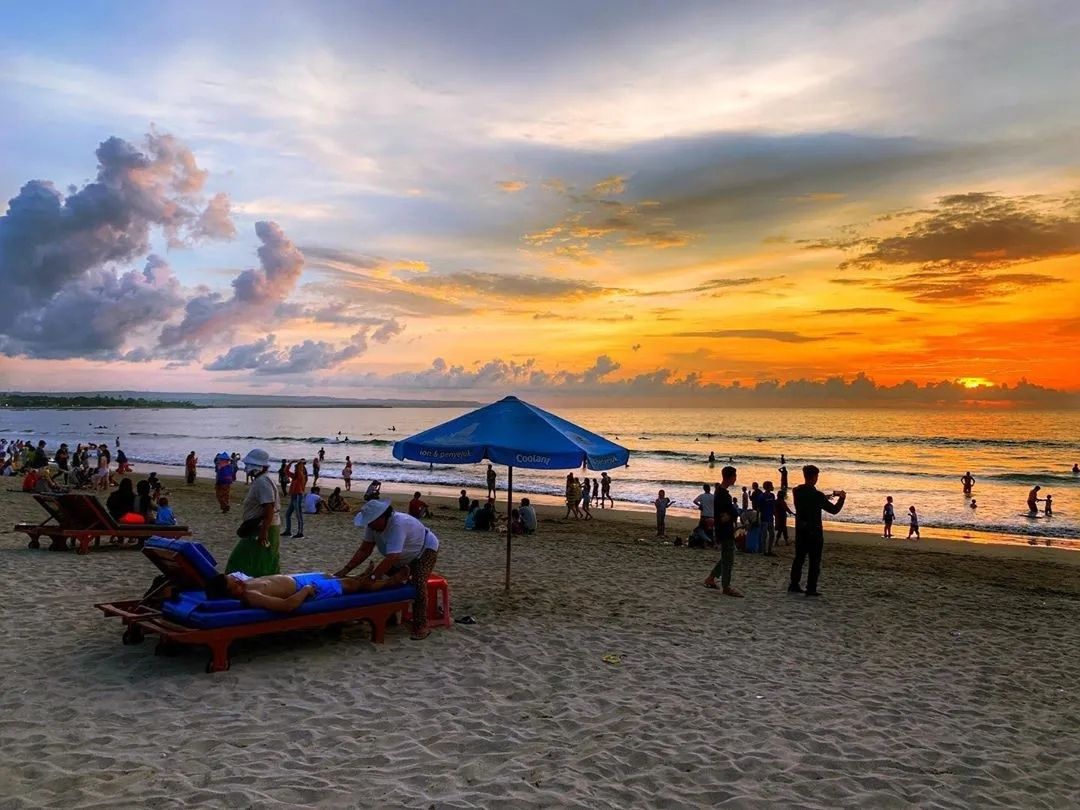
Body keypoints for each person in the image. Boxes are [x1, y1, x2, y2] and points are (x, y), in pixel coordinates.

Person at [337, 499, 441, 639]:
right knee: (375, 581)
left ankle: (421, 625)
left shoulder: (397, 524)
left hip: (425, 550)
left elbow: (392, 557)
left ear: (382, 516)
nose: (370, 525)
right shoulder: (372, 526)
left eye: (372, 521)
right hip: (400, 556)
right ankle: (390, 618)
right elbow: (364, 550)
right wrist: (345, 570)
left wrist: (374, 577)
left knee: (418, 584)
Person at [205, 568, 408, 612]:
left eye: (235, 580)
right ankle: (391, 583)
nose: (239, 582)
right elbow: (287, 606)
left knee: (339, 578)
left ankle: (366, 578)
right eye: (235, 585)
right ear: (231, 593)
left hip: (299, 579)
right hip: (307, 587)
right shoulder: (252, 596)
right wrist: (306, 590)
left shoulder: (243, 586)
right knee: (353, 586)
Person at [790, 465, 846, 597]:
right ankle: (811, 588)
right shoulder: (817, 495)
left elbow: (810, 497)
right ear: (815, 477)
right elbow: (834, 510)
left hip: (801, 530)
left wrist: (825, 497)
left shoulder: (797, 491)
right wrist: (842, 498)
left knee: (799, 559)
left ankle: (794, 584)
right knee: (814, 561)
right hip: (814, 531)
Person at [225, 448, 281, 577]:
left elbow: (269, 507)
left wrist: (264, 531)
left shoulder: (263, 482)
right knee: (259, 559)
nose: (246, 468)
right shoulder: (262, 480)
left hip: (261, 527)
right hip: (260, 525)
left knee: (255, 560)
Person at [704, 466, 742, 597]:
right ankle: (726, 586)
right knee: (728, 558)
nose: (736, 478)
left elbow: (729, 513)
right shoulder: (722, 494)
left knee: (726, 556)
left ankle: (711, 578)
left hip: (724, 527)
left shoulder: (720, 492)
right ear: (730, 477)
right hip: (724, 529)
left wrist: (729, 515)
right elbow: (729, 512)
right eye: (735, 476)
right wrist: (729, 516)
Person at [284, 460, 308, 538]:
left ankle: (300, 532)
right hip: (294, 496)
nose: (295, 470)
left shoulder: (301, 476)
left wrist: (299, 463)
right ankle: (288, 531)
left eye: (296, 469)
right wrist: (291, 463)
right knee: (288, 514)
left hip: (298, 496)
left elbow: (300, 471)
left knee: (299, 515)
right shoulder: (295, 476)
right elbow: (286, 471)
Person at [760, 481, 777, 555]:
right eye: (771, 485)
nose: (772, 487)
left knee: (772, 534)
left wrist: (775, 515)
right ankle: (764, 551)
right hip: (764, 518)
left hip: (770, 517)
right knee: (764, 535)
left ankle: (769, 550)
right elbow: (759, 508)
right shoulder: (762, 496)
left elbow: (773, 506)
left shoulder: (772, 495)